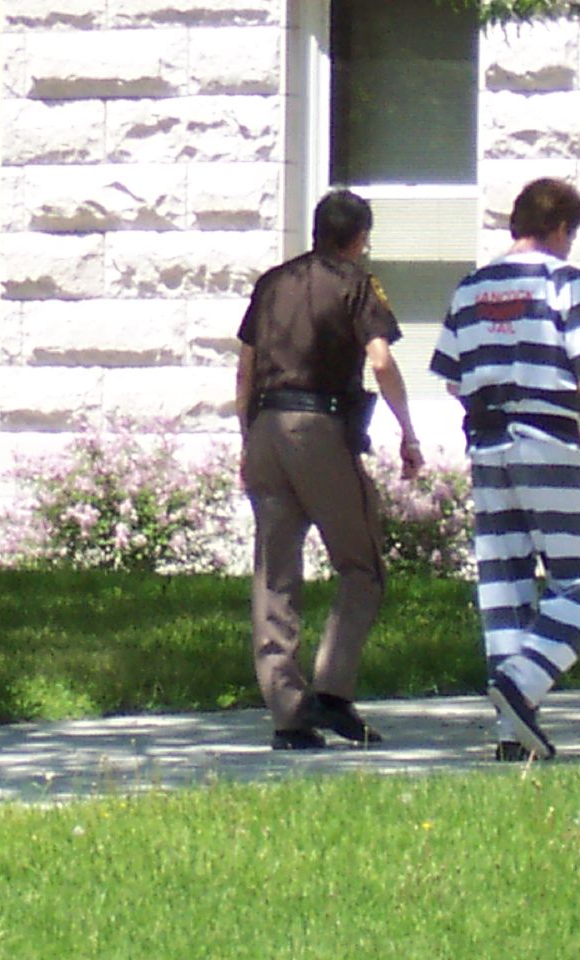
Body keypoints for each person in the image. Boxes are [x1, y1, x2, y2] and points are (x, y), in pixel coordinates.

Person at [429, 178, 580, 761]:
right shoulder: (566, 282)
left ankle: (513, 735)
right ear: (560, 228)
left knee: (504, 585)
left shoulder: (471, 287)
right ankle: (525, 681)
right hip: (547, 438)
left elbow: (454, 375)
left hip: (486, 443)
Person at [236, 189, 423, 751]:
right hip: (320, 430)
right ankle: (334, 693)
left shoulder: (271, 283)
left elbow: (245, 370)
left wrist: (248, 438)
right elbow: (382, 360)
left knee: (275, 574)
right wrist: (408, 430)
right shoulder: (356, 284)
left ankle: (288, 716)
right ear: (360, 238)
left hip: (266, 427)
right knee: (361, 565)